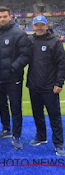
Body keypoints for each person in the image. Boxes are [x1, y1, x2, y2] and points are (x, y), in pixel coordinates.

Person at [0, 6, 31, 149]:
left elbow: (26, 55)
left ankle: (17, 135)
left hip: (13, 78)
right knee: (2, 105)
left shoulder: (19, 33)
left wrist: (13, 67)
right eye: (0, 17)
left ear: (10, 17)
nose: (2, 19)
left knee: (15, 107)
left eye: (4, 16)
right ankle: (6, 129)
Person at [27, 16, 65, 156]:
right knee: (37, 114)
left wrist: (59, 82)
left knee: (54, 116)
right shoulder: (30, 41)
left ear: (47, 25)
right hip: (34, 85)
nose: (39, 27)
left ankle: (59, 143)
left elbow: (62, 63)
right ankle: (41, 136)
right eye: (36, 25)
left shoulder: (54, 41)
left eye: (41, 25)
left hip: (50, 87)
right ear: (33, 27)